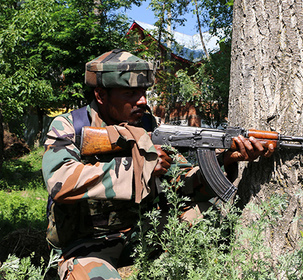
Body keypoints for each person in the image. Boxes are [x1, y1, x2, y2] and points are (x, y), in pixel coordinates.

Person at [42, 49, 274, 279]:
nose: (142, 100)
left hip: (143, 231)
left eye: (143, 91)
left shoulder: (150, 125)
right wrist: (138, 169)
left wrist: (223, 160)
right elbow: (59, 181)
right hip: (88, 244)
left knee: (210, 214)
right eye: (130, 93)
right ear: (101, 95)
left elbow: (182, 185)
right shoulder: (71, 126)